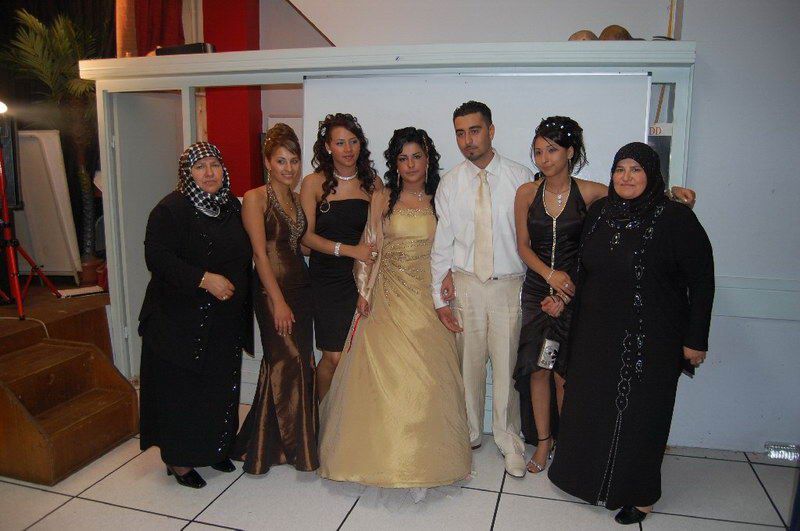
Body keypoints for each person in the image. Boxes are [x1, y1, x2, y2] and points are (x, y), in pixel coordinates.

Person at [513, 118, 698, 476]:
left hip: (575, 292)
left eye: (552, 150)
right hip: (538, 290)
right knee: (537, 369)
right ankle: (543, 442)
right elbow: (522, 246)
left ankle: (568, 444)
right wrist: (549, 276)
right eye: (538, 151)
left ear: (570, 152)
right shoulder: (525, 193)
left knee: (564, 374)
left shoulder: (591, 192)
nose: (544, 158)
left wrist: (674, 196)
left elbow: (635, 198)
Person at [548, 142, 714, 525]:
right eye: (620, 169)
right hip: (597, 334)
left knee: (642, 417)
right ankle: (590, 483)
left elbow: (702, 281)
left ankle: (642, 496)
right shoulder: (601, 212)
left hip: (650, 339)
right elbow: (584, 268)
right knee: (593, 409)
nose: (626, 177)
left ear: (651, 175)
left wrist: (696, 339)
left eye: (635, 170)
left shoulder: (675, 218)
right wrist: (565, 303)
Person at [319, 127, 471, 489]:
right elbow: (370, 245)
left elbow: (454, 244)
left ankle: (427, 458)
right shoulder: (382, 198)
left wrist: (450, 274)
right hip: (387, 296)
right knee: (382, 376)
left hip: (429, 299)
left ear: (428, 159)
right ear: (395, 164)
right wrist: (364, 289)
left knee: (429, 377)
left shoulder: (441, 197)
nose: (410, 164)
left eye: (417, 156)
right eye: (403, 159)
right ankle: (377, 456)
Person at [138, 142, 253, 489]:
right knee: (183, 390)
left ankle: (214, 448)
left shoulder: (230, 206)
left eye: (214, 165)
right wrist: (204, 279)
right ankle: (179, 459)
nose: (209, 173)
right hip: (178, 320)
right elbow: (157, 258)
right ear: (187, 174)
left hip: (223, 319)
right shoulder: (170, 210)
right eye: (200, 167)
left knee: (218, 386)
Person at [431, 101, 532, 478]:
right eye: (460, 133)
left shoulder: (521, 177)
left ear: (491, 130)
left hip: (508, 286)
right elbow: (442, 245)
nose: (467, 140)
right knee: (467, 368)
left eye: (474, 131)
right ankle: (469, 434)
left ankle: (509, 439)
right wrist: (439, 298)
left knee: (506, 369)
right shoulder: (450, 183)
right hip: (466, 286)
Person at [231, 124, 318, 474]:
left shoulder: (295, 199)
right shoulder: (255, 198)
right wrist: (278, 302)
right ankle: (292, 445)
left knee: (297, 361)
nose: (289, 168)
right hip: (272, 289)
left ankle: (272, 442)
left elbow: (301, 246)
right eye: (281, 161)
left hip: (301, 285)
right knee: (288, 359)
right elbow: (260, 254)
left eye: (294, 161)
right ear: (268, 162)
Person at [299, 113, 380, 400]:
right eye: (340, 142)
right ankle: (322, 416)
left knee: (356, 357)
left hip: (361, 279)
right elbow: (306, 238)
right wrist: (348, 250)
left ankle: (346, 419)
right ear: (328, 146)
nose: (348, 149)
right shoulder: (313, 183)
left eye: (353, 141)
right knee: (332, 358)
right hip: (327, 280)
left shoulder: (373, 184)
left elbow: (379, 236)